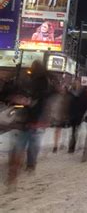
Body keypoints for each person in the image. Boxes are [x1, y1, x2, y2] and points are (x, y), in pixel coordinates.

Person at [5, 61, 55, 190]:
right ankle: (21, 170)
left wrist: (27, 102)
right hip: (29, 120)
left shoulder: (41, 83)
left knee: (26, 145)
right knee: (26, 145)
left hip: (33, 119)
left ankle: (19, 171)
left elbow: (39, 100)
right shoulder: (37, 82)